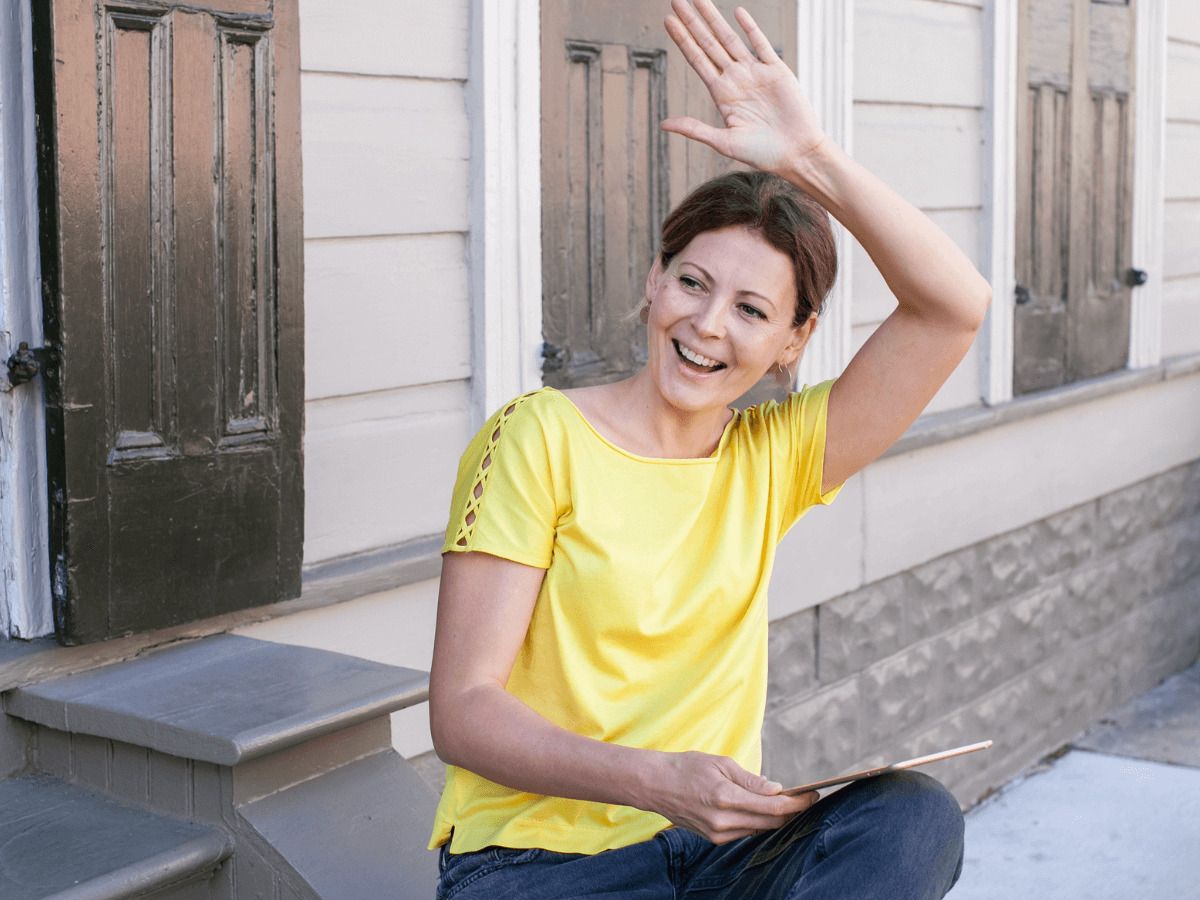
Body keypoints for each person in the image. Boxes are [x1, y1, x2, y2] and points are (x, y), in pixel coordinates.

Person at [427, 1, 990, 897]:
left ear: (793, 341)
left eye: (752, 310)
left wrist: (812, 160)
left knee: (913, 816)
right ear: (655, 282)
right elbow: (462, 714)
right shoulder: (538, 437)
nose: (706, 324)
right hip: (540, 864)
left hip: (717, 862)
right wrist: (661, 781)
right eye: (692, 282)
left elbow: (954, 305)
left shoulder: (776, 457)